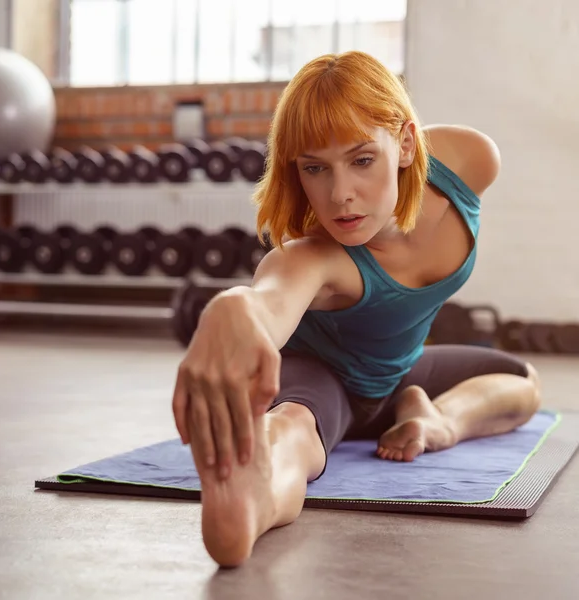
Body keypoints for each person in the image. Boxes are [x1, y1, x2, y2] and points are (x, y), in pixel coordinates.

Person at [171, 51, 541, 568]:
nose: (340, 195)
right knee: (293, 427)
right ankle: (251, 500)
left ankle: (436, 422)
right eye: (315, 168)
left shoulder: (469, 161)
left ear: (407, 144)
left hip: (398, 375)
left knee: (522, 383)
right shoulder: (315, 258)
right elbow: (270, 300)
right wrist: (234, 307)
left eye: (362, 160)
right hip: (323, 382)